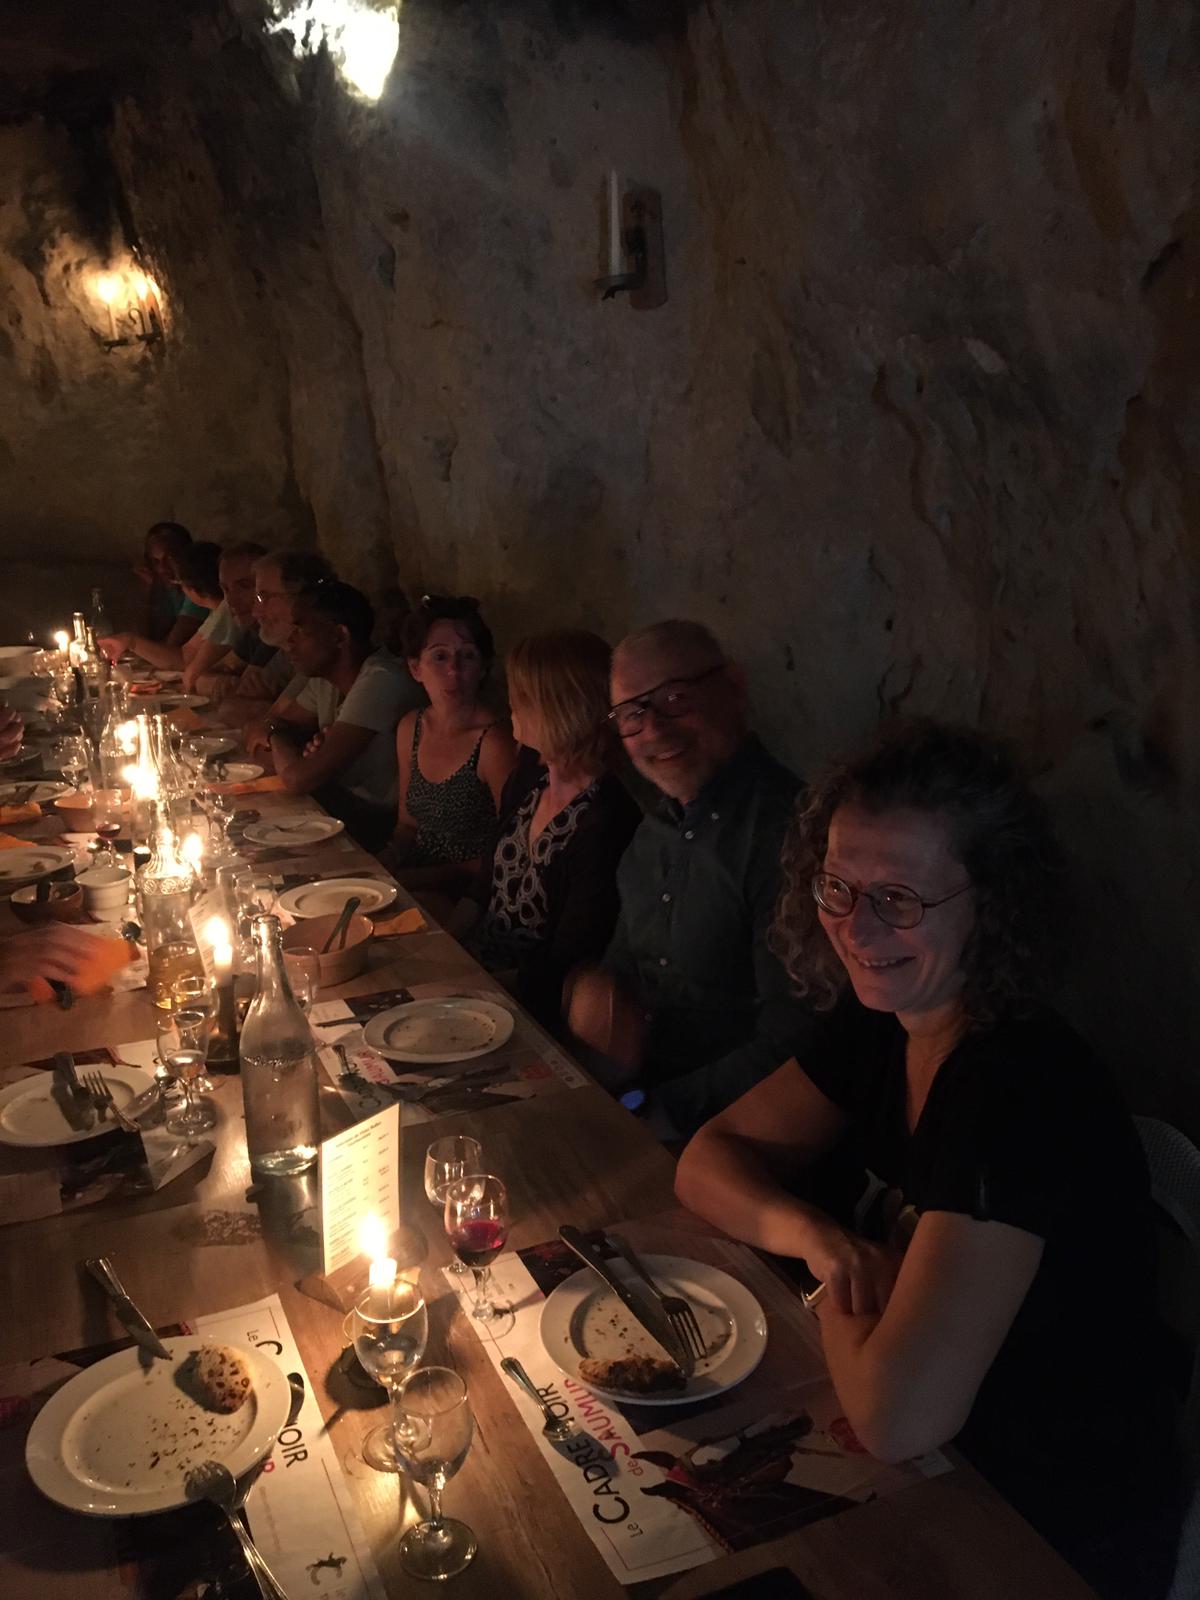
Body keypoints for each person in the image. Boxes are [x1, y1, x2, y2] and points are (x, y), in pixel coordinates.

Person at [674, 722, 1184, 1600]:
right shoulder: (888, 1018)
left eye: (899, 897)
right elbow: (706, 1162)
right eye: (837, 885)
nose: (856, 927)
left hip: (1039, 1525)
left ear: (992, 902)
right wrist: (827, 1244)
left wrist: (826, 1291)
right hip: (930, 1466)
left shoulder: (1015, 1088)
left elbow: (895, 1415)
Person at [566, 620, 813, 1137]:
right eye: (633, 714)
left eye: (675, 698)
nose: (654, 729)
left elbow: (795, 1045)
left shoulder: (789, 837)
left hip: (743, 1146)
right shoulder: (652, 835)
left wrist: (648, 1112)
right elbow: (619, 976)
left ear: (735, 689)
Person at [450, 631, 641, 1029]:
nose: (510, 705)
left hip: (525, 998)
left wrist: (468, 990)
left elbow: (569, 959)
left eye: (521, 696)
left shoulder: (607, 821)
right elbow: (486, 882)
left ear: (559, 709)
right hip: (475, 970)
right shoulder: (528, 776)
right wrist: (442, 947)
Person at [266, 581, 421, 849]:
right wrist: (289, 741)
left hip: (381, 827)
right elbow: (264, 726)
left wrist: (276, 736)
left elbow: (297, 778)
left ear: (339, 636)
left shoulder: (382, 680)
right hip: (344, 809)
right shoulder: (326, 676)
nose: (289, 641)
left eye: (300, 630)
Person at [388, 596, 518, 895]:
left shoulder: (494, 741)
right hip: (413, 882)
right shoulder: (412, 727)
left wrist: (425, 879)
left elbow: (509, 852)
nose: (454, 671)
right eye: (440, 657)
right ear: (415, 668)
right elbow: (407, 824)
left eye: (468, 656)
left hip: (469, 895)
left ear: (483, 668)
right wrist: (388, 858)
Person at [218, 548, 335, 731]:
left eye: (265, 597)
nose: (256, 611)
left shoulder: (323, 658)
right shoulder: (285, 653)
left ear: (302, 599)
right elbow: (228, 706)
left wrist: (269, 711)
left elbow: (271, 729)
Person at [101, 540, 221, 671]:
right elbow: (184, 656)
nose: (163, 569)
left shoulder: (229, 616)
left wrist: (131, 641)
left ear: (189, 586)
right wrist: (130, 641)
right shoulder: (217, 614)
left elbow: (184, 658)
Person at [181, 541, 271, 694]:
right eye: (226, 589)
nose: (230, 600)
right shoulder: (254, 633)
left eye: (244, 586)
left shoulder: (276, 637)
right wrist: (222, 682)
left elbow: (245, 697)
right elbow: (194, 677)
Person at [133, 521, 203, 644]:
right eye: (155, 561)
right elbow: (148, 638)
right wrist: (147, 592)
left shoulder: (198, 590)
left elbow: (172, 643)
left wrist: (131, 642)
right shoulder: (167, 589)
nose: (162, 568)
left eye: (170, 558)